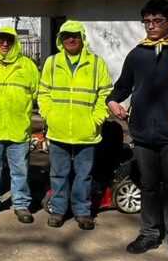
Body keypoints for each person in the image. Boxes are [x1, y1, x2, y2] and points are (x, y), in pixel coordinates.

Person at [107, 0, 168, 261]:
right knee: (148, 187)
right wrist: (113, 101)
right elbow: (122, 86)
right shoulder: (138, 54)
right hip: (143, 134)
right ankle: (148, 234)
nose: (151, 26)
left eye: (157, 21)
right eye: (147, 21)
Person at [37, 20, 112, 230]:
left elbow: (105, 94)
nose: (71, 39)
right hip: (58, 131)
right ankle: (59, 210)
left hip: (86, 132)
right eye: (66, 36)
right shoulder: (52, 63)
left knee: (84, 175)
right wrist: (49, 115)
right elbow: (43, 94)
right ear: (60, 39)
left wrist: (96, 119)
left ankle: (82, 211)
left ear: (82, 38)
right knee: (58, 174)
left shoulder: (97, 64)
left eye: (75, 35)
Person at [0, 27, 41, 223]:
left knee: (20, 170)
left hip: (18, 127)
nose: (4, 44)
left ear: (15, 42)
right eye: (0, 40)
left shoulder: (27, 66)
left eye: (9, 40)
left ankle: (21, 204)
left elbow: (36, 94)